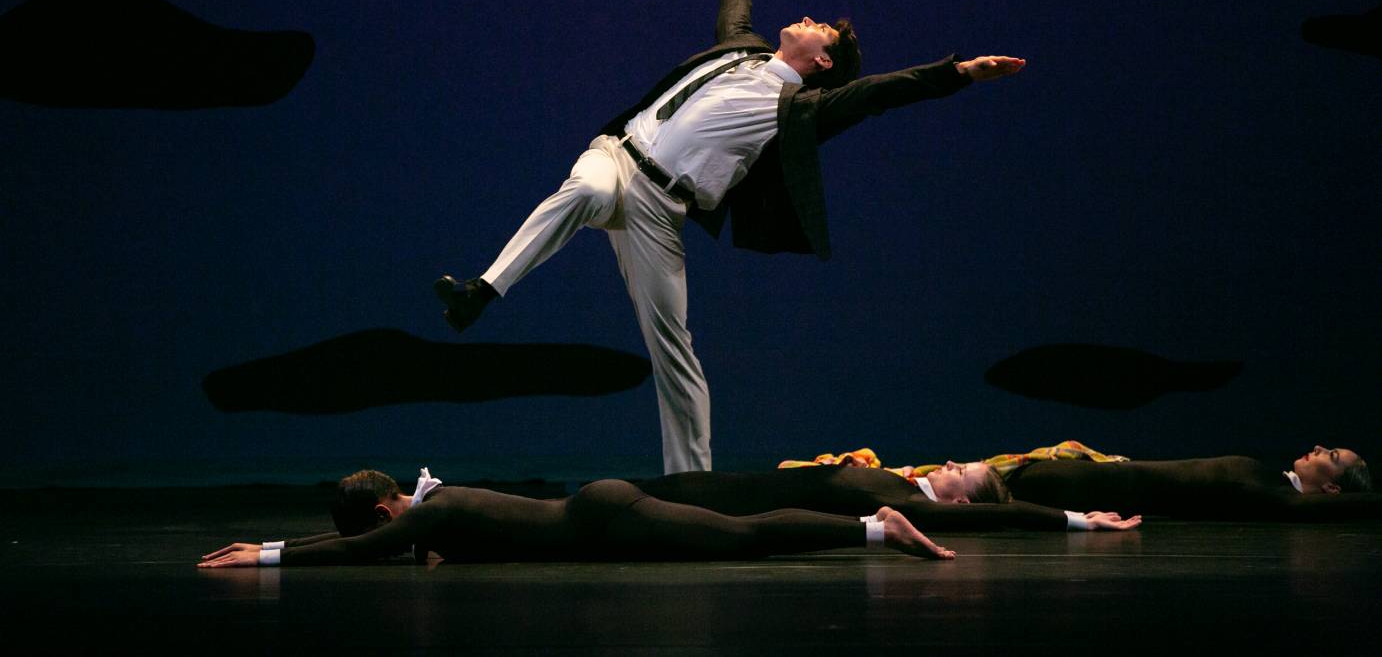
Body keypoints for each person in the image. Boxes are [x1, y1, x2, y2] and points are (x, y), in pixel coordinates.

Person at [434, 0, 1025, 473]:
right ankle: (480, 293)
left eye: (822, 30)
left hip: (662, 211)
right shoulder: (743, 52)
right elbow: (736, 19)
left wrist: (959, 73)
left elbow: (877, 94)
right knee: (584, 192)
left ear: (822, 63)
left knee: (675, 349)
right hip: (618, 156)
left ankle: (691, 486)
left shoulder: (802, 109)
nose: (810, 20)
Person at [197, 469, 957, 568]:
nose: (390, 538)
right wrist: (264, 542)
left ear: (388, 508)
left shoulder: (435, 511)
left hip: (606, 518)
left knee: (746, 538)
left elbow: (357, 554)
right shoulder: (439, 512)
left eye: (381, 526)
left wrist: (264, 556)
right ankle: (871, 528)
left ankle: (877, 528)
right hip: (601, 516)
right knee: (743, 533)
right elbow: (379, 545)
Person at [630, 462, 1141, 532]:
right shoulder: (902, 482)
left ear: (961, 503)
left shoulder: (915, 506)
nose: (949, 465)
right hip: (734, 483)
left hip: (730, 504)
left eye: (959, 472)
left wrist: (1078, 519)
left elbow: (1009, 516)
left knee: (634, 505)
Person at [943, 446, 1376, 520]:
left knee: (979, 484)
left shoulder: (1277, 496)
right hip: (1088, 477)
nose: (1320, 448)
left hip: (1084, 485)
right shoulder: (1270, 480)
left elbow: (1354, 506)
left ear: (1333, 489)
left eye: (1332, 457)